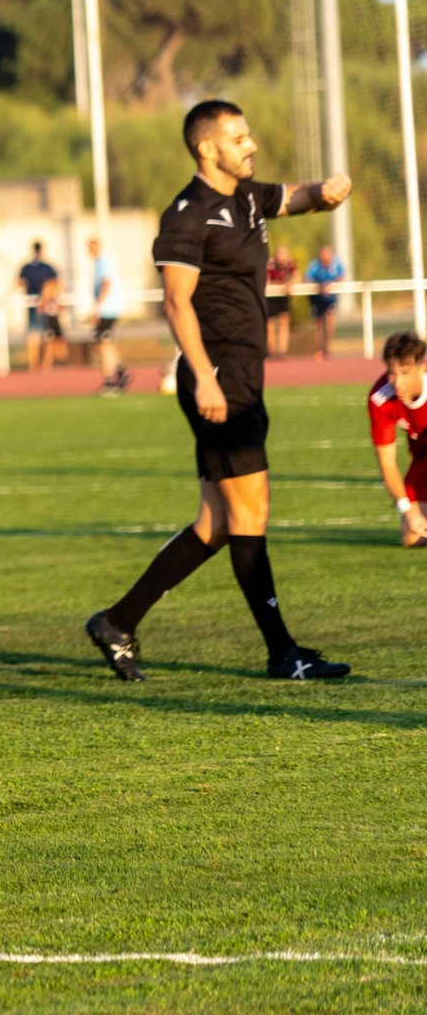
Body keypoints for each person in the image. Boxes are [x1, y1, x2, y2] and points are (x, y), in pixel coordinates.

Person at [86, 99, 354, 681]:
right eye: (238, 137)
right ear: (208, 148)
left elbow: (297, 197)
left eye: (249, 133)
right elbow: (176, 302)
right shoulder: (186, 214)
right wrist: (205, 375)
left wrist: (327, 192)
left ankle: (117, 621)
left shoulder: (249, 197)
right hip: (219, 376)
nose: (250, 144)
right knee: (250, 511)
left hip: (239, 374)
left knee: (217, 523)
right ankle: (283, 653)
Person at [367, 331, 427, 548]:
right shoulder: (380, 399)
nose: (398, 383)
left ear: (422, 368)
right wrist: (408, 511)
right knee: (411, 535)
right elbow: (387, 464)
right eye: (392, 373)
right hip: (423, 458)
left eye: (405, 372)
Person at [89, 237, 130, 395]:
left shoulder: (103, 262)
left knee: (102, 342)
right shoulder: (99, 262)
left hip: (108, 309)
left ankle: (110, 379)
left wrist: (97, 307)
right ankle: (120, 372)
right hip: (109, 308)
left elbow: (106, 283)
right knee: (104, 342)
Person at [17, 241, 56, 371]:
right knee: (43, 335)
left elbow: (20, 283)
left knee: (40, 335)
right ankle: (41, 364)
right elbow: (55, 283)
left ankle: (37, 365)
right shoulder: (46, 267)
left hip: (40, 304)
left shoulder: (28, 267)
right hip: (41, 305)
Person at [306, 245, 343, 360]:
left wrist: (330, 285)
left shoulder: (336, 264)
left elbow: (341, 276)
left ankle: (328, 346)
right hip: (317, 298)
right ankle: (320, 348)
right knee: (319, 323)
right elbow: (307, 278)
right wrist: (319, 286)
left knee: (330, 319)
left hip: (330, 298)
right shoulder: (314, 265)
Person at [265, 244, 296, 359]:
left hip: (283, 297)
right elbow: (265, 280)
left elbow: (296, 277)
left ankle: (282, 351)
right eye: (280, 253)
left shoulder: (290, 264)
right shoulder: (270, 265)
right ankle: (271, 350)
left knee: (284, 321)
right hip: (271, 297)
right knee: (270, 324)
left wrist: (290, 283)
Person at [36, 275, 68, 369]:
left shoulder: (56, 298)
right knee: (50, 341)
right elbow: (40, 308)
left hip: (54, 319)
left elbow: (61, 308)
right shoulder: (46, 298)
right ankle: (47, 362)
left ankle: (61, 359)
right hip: (49, 320)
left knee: (59, 340)